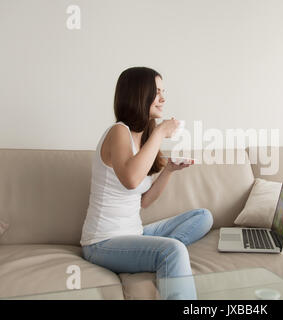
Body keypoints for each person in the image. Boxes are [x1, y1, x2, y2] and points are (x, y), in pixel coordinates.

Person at [80, 66, 213, 299]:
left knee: (203, 216)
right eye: (157, 91)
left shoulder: (142, 137)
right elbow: (131, 180)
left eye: (163, 91)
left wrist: (169, 170)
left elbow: (143, 201)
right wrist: (161, 132)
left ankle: (159, 256)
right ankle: (167, 257)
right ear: (139, 94)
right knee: (173, 249)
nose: (163, 98)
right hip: (102, 243)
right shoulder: (118, 132)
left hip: (135, 232)